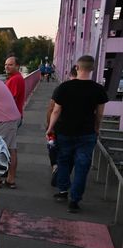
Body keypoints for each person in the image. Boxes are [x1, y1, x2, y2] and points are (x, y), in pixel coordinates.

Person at [47, 55, 108, 212]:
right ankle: (75, 200)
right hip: (87, 132)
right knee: (82, 165)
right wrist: (96, 127)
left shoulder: (64, 87)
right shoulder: (98, 89)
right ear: (92, 69)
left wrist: (50, 127)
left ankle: (62, 191)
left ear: (77, 67)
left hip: (65, 131)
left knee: (64, 160)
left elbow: (56, 110)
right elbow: (99, 113)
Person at [45, 65, 77, 186]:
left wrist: (49, 126)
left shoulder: (62, 88)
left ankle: (55, 166)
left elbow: (52, 109)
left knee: (53, 146)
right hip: (81, 129)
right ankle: (65, 174)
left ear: (70, 75)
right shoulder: (92, 88)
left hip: (61, 126)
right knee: (72, 154)